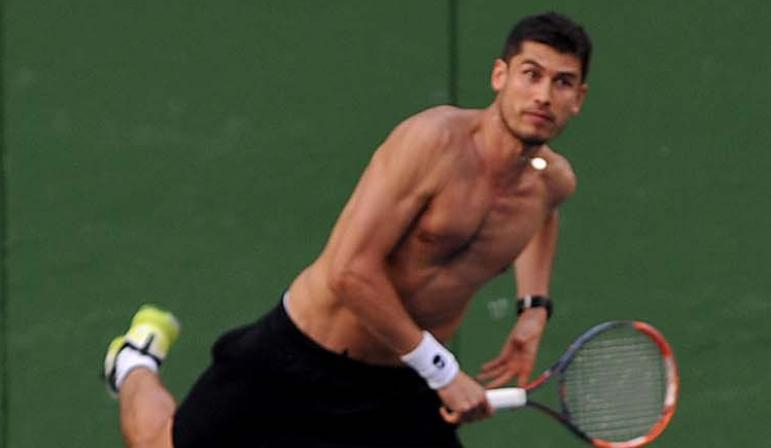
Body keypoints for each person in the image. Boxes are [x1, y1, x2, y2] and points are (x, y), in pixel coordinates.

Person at [103, 11, 592, 448]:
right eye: (531, 75)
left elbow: (543, 218)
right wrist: (442, 371)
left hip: (403, 388)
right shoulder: (432, 144)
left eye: (563, 82)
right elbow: (349, 271)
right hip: (304, 359)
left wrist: (533, 310)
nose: (543, 95)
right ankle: (133, 364)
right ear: (500, 76)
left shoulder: (551, 183)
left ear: (579, 99)